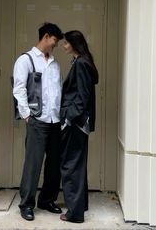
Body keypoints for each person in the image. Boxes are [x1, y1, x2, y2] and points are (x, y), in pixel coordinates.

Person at [13, 22, 63, 221]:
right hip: (37, 120)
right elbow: (19, 89)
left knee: (54, 164)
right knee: (33, 164)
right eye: (54, 41)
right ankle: (26, 204)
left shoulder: (55, 63)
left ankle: (46, 200)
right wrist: (26, 115)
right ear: (46, 37)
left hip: (55, 121)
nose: (55, 45)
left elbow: (57, 90)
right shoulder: (25, 60)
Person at [59, 30, 99, 223]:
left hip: (75, 123)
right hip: (79, 123)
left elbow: (81, 98)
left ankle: (74, 213)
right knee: (77, 164)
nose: (64, 46)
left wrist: (68, 119)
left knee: (70, 166)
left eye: (66, 43)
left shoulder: (81, 64)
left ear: (74, 44)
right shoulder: (81, 61)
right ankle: (80, 206)